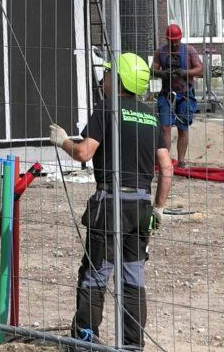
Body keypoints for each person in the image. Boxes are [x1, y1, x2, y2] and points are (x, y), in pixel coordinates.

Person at [50, 51, 171, 348]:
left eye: (106, 74)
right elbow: (167, 169)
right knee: (133, 278)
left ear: (118, 79)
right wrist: (158, 208)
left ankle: (86, 341)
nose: (103, 79)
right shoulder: (150, 116)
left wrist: (63, 140)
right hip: (142, 207)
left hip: (111, 203)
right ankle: (132, 345)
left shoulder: (106, 110)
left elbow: (84, 153)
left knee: (95, 274)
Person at [153, 23, 203, 166]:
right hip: (167, 94)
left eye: (176, 41)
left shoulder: (189, 51)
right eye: (171, 41)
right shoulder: (161, 52)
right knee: (165, 127)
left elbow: (200, 69)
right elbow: (153, 70)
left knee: (183, 127)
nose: (174, 44)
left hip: (185, 94)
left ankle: (181, 161)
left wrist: (185, 73)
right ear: (167, 39)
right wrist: (162, 73)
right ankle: (165, 161)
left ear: (180, 38)